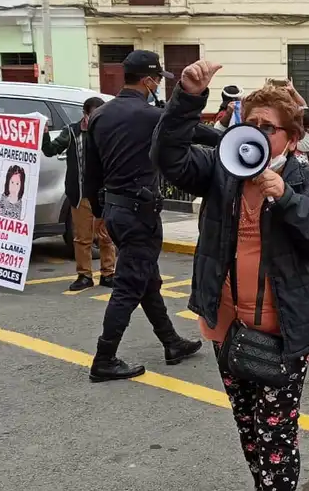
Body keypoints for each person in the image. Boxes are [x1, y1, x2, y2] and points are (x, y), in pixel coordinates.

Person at [152, 61, 309, 491]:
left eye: (269, 127)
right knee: (248, 430)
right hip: (226, 327)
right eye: (251, 123)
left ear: (291, 140)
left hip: (283, 334)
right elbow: (167, 157)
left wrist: (288, 197)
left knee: (275, 436)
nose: (257, 132)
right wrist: (187, 97)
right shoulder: (222, 171)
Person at [84, 49, 203, 382]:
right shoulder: (152, 117)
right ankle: (104, 357)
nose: (157, 87)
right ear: (149, 80)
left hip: (116, 210)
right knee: (128, 286)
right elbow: (194, 135)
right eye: (157, 80)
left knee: (146, 280)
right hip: (140, 212)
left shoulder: (99, 116)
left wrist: (98, 213)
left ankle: (171, 342)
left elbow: (89, 173)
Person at [41, 96, 116, 292]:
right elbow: (50, 151)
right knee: (82, 238)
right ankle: (84, 275)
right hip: (80, 192)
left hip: (103, 193)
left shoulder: (108, 132)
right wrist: (44, 134)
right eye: (95, 116)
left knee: (106, 236)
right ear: (85, 115)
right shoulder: (71, 132)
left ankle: (108, 274)